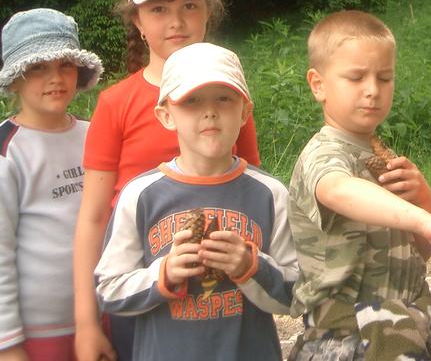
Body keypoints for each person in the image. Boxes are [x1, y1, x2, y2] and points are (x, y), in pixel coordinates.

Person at [73, 0, 261, 361]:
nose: (176, 21)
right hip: (139, 295)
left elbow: (253, 194)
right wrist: (86, 322)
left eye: (189, 5)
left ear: (208, 12)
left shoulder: (229, 97)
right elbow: (92, 217)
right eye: (158, 9)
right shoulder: (116, 104)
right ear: (138, 22)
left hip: (223, 299)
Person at [287, 10, 431, 361]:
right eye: (356, 77)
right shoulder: (323, 153)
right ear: (318, 85)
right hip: (351, 334)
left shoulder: (384, 157)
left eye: (385, 78)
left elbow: (417, 255)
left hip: (411, 320)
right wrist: (426, 220)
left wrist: (423, 200)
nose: (372, 90)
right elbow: (337, 189)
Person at [95, 43, 297, 360]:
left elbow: (297, 296)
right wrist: (164, 273)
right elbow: (108, 291)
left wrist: (250, 266)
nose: (210, 111)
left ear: (245, 112)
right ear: (166, 115)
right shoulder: (140, 195)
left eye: (224, 98)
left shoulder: (270, 194)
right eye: (191, 101)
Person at [0, 9, 103, 361]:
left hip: (101, 318)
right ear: (15, 79)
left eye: (65, 65)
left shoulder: (95, 135)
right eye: (38, 68)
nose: (55, 78)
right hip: (35, 335)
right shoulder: (8, 150)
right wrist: (8, 345)